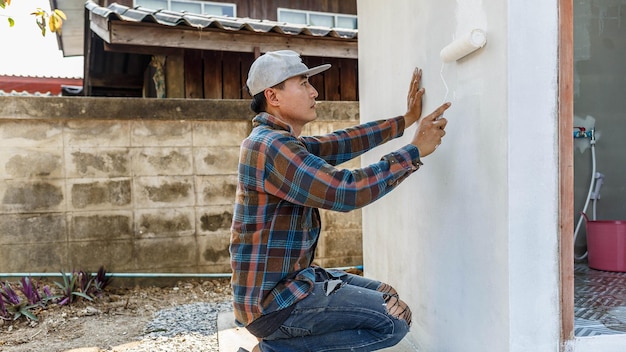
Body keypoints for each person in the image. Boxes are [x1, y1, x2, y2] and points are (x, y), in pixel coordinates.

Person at [230, 50, 450, 352]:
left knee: (388, 295)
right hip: (274, 304)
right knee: (392, 320)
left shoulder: (280, 142)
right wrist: (413, 151)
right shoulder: (270, 146)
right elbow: (346, 191)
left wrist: (405, 121)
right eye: (303, 83)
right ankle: (274, 349)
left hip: (291, 285)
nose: (314, 91)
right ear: (273, 96)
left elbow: (342, 141)